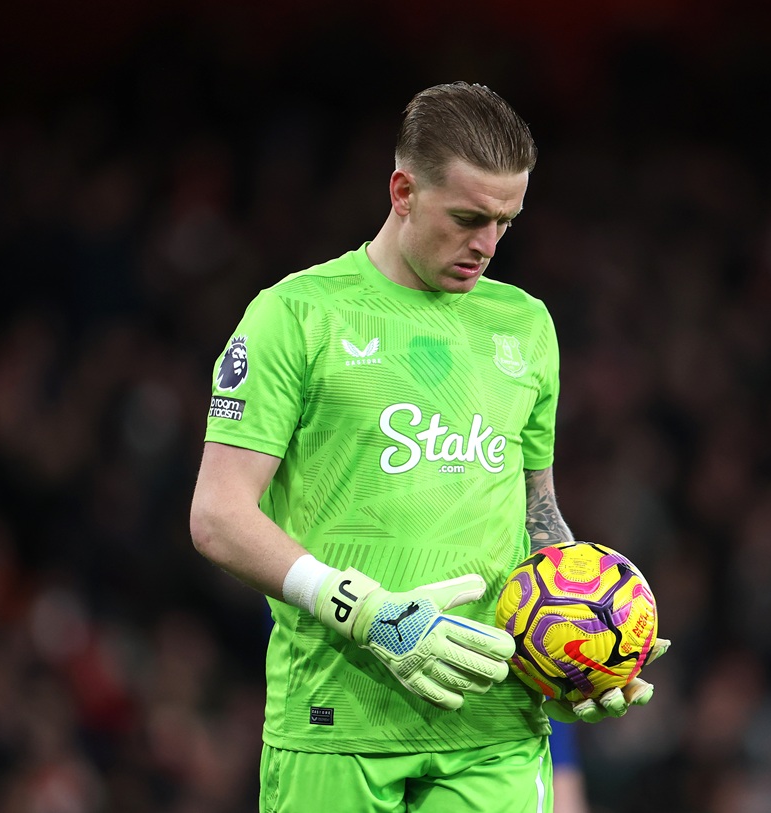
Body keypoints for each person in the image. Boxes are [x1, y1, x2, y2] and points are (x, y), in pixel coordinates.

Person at [189, 81, 666, 813]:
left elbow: (538, 509)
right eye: (469, 217)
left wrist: (580, 654)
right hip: (336, 722)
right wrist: (367, 611)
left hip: (495, 731)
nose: (487, 245)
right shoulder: (295, 316)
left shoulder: (526, 326)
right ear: (403, 190)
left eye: (507, 221)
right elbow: (218, 516)